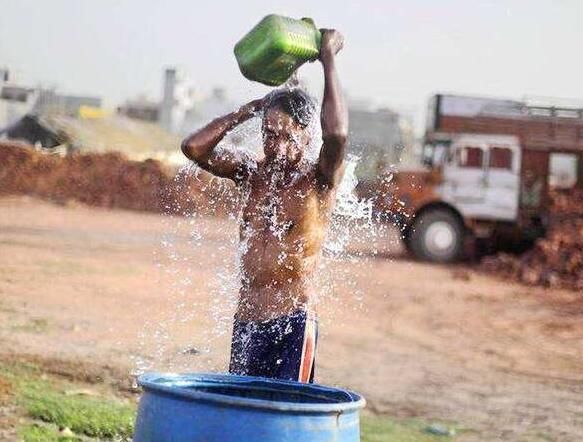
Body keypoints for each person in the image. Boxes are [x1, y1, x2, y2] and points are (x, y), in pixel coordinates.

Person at [181, 29, 346, 383]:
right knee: (244, 412)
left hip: (293, 324)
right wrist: (246, 112)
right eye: (270, 134)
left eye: (288, 136)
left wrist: (329, 59)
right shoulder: (251, 173)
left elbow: (337, 135)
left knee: (283, 419)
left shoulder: (318, 181)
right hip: (246, 321)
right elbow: (194, 149)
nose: (278, 146)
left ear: (306, 133)